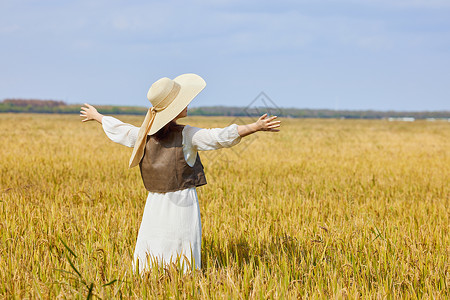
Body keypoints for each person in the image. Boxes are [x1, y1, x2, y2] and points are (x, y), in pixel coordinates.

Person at [79, 73, 280, 274]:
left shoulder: (143, 134)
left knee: (154, 242)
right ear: (173, 109)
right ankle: (182, 280)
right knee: (181, 244)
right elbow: (217, 137)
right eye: (183, 100)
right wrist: (255, 127)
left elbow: (120, 129)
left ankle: (150, 278)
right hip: (182, 200)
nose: (188, 103)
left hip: (154, 202)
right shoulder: (187, 135)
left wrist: (97, 116)